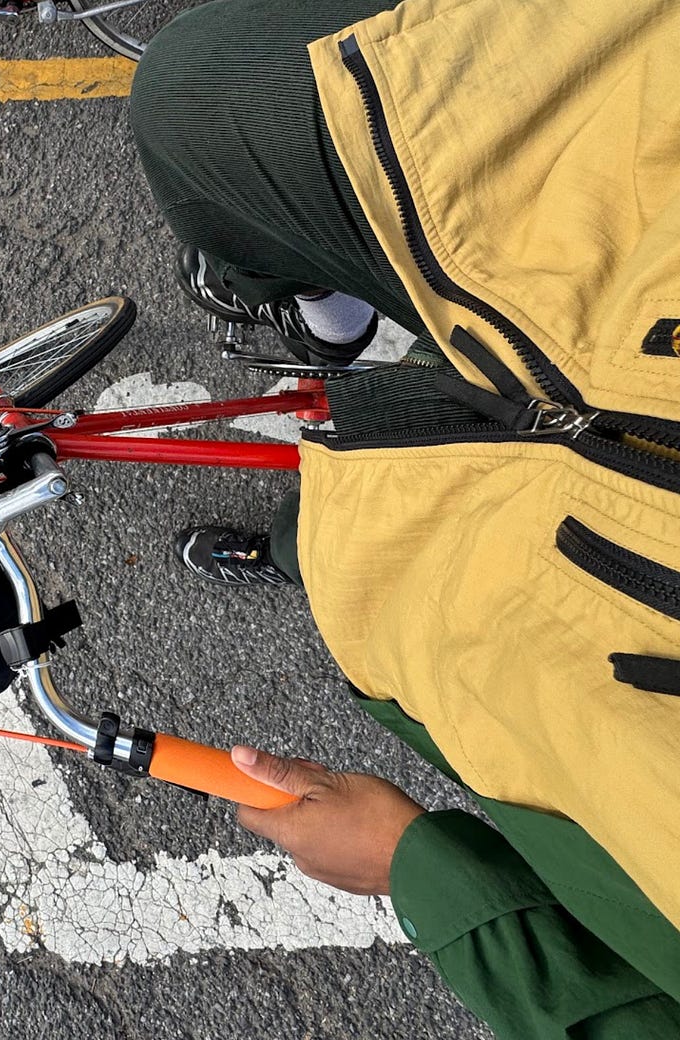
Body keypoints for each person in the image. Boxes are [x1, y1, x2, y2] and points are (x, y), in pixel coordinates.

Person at [127, 1, 680, 1038]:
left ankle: (314, 483)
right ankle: (337, 350)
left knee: (368, 533)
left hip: (515, 623)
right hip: (630, 213)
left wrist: (422, 870)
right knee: (195, 105)